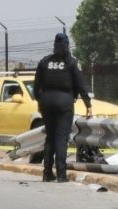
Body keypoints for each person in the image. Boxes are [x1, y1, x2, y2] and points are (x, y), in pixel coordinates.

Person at [34, 33, 93, 182]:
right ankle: (61, 174)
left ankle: (47, 173)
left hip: (46, 103)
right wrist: (88, 104)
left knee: (50, 137)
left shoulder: (44, 62)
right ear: (67, 45)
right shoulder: (71, 63)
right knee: (61, 138)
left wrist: (40, 100)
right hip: (64, 103)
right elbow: (81, 85)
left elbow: (36, 87)